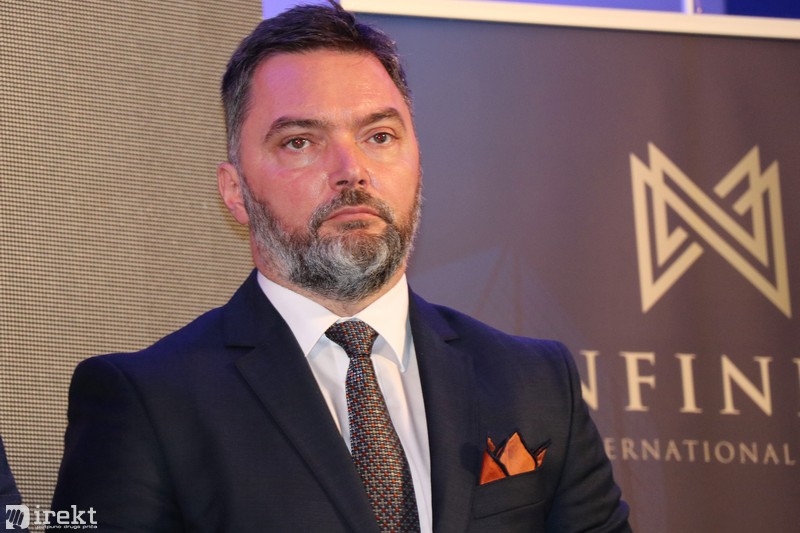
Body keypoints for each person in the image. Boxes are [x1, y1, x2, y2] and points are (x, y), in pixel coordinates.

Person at [51, 2, 630, 531]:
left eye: (379, 135)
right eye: (300, 142)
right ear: (235, 192)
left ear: (419, 161)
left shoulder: (534, 384)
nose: (351, 170)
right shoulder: (147, 402)